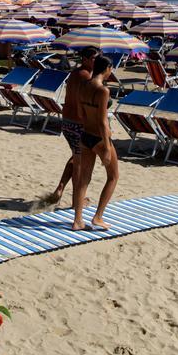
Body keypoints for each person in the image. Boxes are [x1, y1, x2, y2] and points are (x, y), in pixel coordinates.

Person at [50, 47, 99, 206]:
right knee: (81, 163)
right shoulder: (86, 77)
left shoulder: (74, 73)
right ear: (84, 59)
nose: (95, 61)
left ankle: (60, 187)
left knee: (76, 157)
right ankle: (76, 201)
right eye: (93, 58)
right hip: (79, 124)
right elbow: (86, 102)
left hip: (67, 122)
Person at [74, 55, 118, 231]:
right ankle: (98, 217)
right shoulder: (103, 90)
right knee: (113, 177)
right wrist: (107, 147)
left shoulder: (83, 85)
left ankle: (77, 220)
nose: (111, 72)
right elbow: (102, 122)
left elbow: (81, 112)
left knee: (83, 179)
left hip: (85, 135)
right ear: (106, 68)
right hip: (100, 137)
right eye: (111, 69)